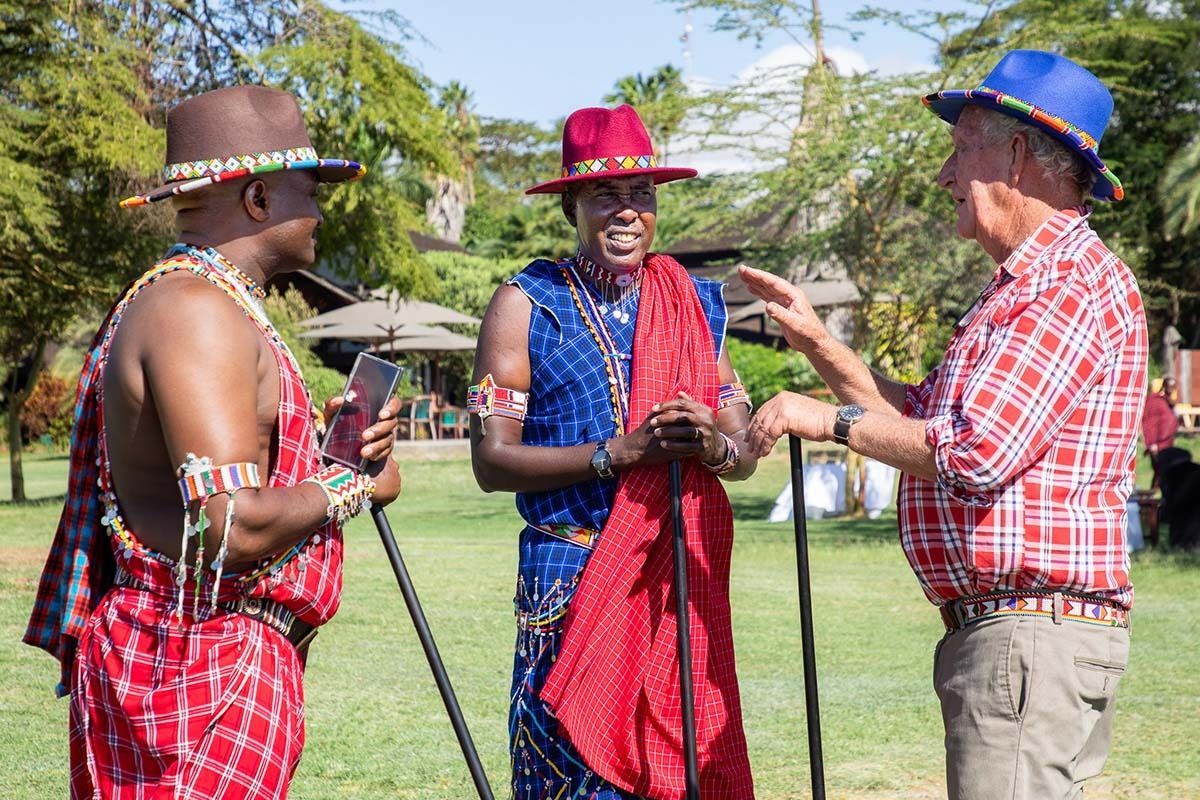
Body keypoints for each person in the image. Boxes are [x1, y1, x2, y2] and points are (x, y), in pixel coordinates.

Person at [739, 50, 1146, 799]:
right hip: (1019, 639)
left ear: (1018, 156)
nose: (943, 177)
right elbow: (918, 420)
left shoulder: (1062, 285)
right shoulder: (1024, 286)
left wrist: (822, 419)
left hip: (1030, 640)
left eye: (960, 151)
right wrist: (819, 343)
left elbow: (974, 452)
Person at [24, 85, 402, 799]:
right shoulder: (195, 311)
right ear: (259, 199)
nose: (320, 211)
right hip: (199, 664)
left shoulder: (200, 302)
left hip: (198, 656)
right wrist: (352, 485)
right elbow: (229, 525)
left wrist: (334, 457)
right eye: (310, 189)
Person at [469, 104, 758, 799]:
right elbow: (490, 461)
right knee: (571, 774)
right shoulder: (526, 304)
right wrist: (620, 453)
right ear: (573, 203)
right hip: (567, 575)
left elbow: (742, 449)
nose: (627, 212)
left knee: (676, 768)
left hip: (669, 580)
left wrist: (712, 441)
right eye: (607, 195)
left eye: (641, 195)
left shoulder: (691, 302)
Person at [1142, 376, 1180, 487]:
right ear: (1165, 386)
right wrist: (1152, 444)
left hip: (1166, 443)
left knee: (1163, 472)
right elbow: (1149, 422)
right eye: (1170, 387)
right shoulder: (1154, 401)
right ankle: (1151, 498)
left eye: (1173, 388)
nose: (1171, 390)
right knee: (1160, 472)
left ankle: (1155, 498)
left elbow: (1170, 422)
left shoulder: (1169, 403)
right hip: (1156, 444)